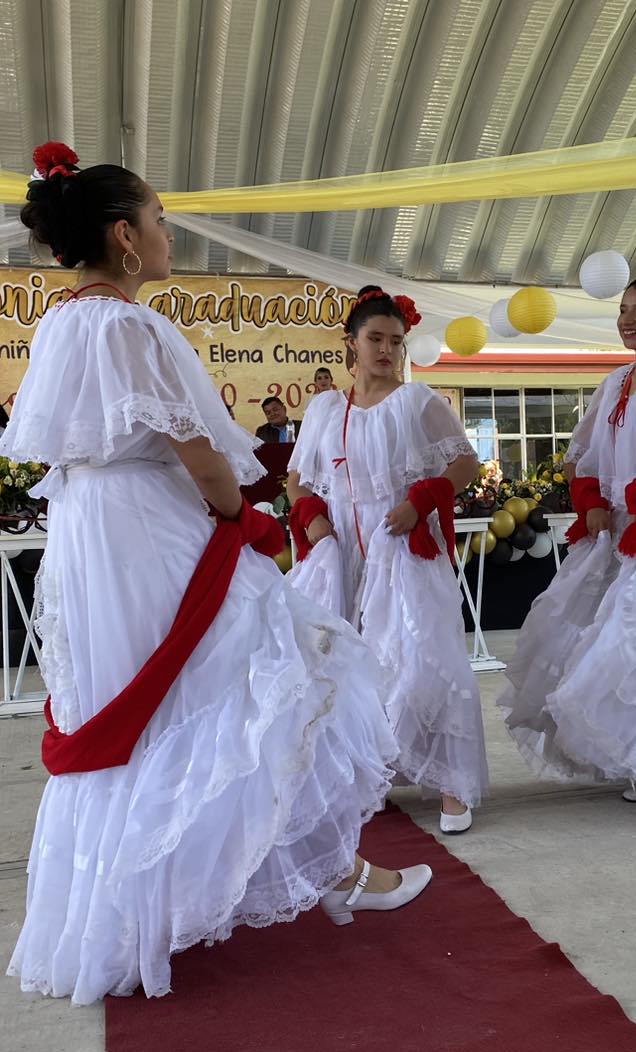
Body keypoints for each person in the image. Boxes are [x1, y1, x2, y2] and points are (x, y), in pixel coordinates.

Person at [3, 144, 430, 1005]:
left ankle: (130, 915)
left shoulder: (56, 325)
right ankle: (331, 872)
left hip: (91, 535)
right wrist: (241, 518)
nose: (166, 235)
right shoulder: (131, 324)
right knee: (269, 675)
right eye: (159, 221)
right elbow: (198, 456)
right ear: (124, 237)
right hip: (153, 530)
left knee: (146, 705)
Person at [502, 271, 636, 827]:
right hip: (630, 507)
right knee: (616, 630)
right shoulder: (615, 380)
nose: (627, 319)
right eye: (623, 309)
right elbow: (582, 452)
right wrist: (591, 502)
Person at [286, 286, 489, 834]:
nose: (385, 350)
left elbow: (465, 464)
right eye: (375, 338)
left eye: (395, 342)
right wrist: (311, 517)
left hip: (402, 551)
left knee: (425, 658)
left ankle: (451, 786)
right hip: (343, 556)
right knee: (341, 665)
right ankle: (360, 774)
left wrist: (420, 500)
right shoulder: (325, 408)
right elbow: (297, 477)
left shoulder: (417, 403)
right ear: (350, 343)